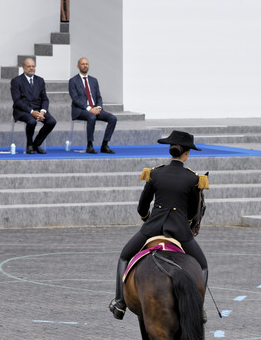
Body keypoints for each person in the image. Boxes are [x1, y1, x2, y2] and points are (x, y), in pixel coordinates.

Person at [109, 131, 209, 321]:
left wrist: (148, 219)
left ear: (171, 151)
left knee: (124, 257)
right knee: (203, 266)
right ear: (186, 154)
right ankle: (199, 309)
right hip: (180, 232)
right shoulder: (194, 179)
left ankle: (120, 303)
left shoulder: (155, 173)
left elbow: (142, 207)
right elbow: (192, 213)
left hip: (152, 229)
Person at [68, 57, 117, 154]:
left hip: (95, 109)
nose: (85, 65)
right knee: (91, 117)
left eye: (86, 64)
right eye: (82, 64)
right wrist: (89, 109)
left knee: (113, 118)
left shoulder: (94, 80)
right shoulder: (73, 81)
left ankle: (104, 145)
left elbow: (98, 96)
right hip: (80, 110)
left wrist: (98, 107)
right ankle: (89, 145)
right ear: (78, 66)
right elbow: (75, 99)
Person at [11, 58, 56, 154]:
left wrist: (43, 111)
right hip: (22, 110)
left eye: (33, 66)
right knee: (31, 121)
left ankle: (36, 144)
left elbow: (45, 98)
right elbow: (17, 101)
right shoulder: (16, 81)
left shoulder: (40, 80)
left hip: (38, 109)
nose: (31, 68)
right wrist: (31, 111)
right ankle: (29, 145)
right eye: (29, 66)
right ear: (23, 68)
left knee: (51, 121)